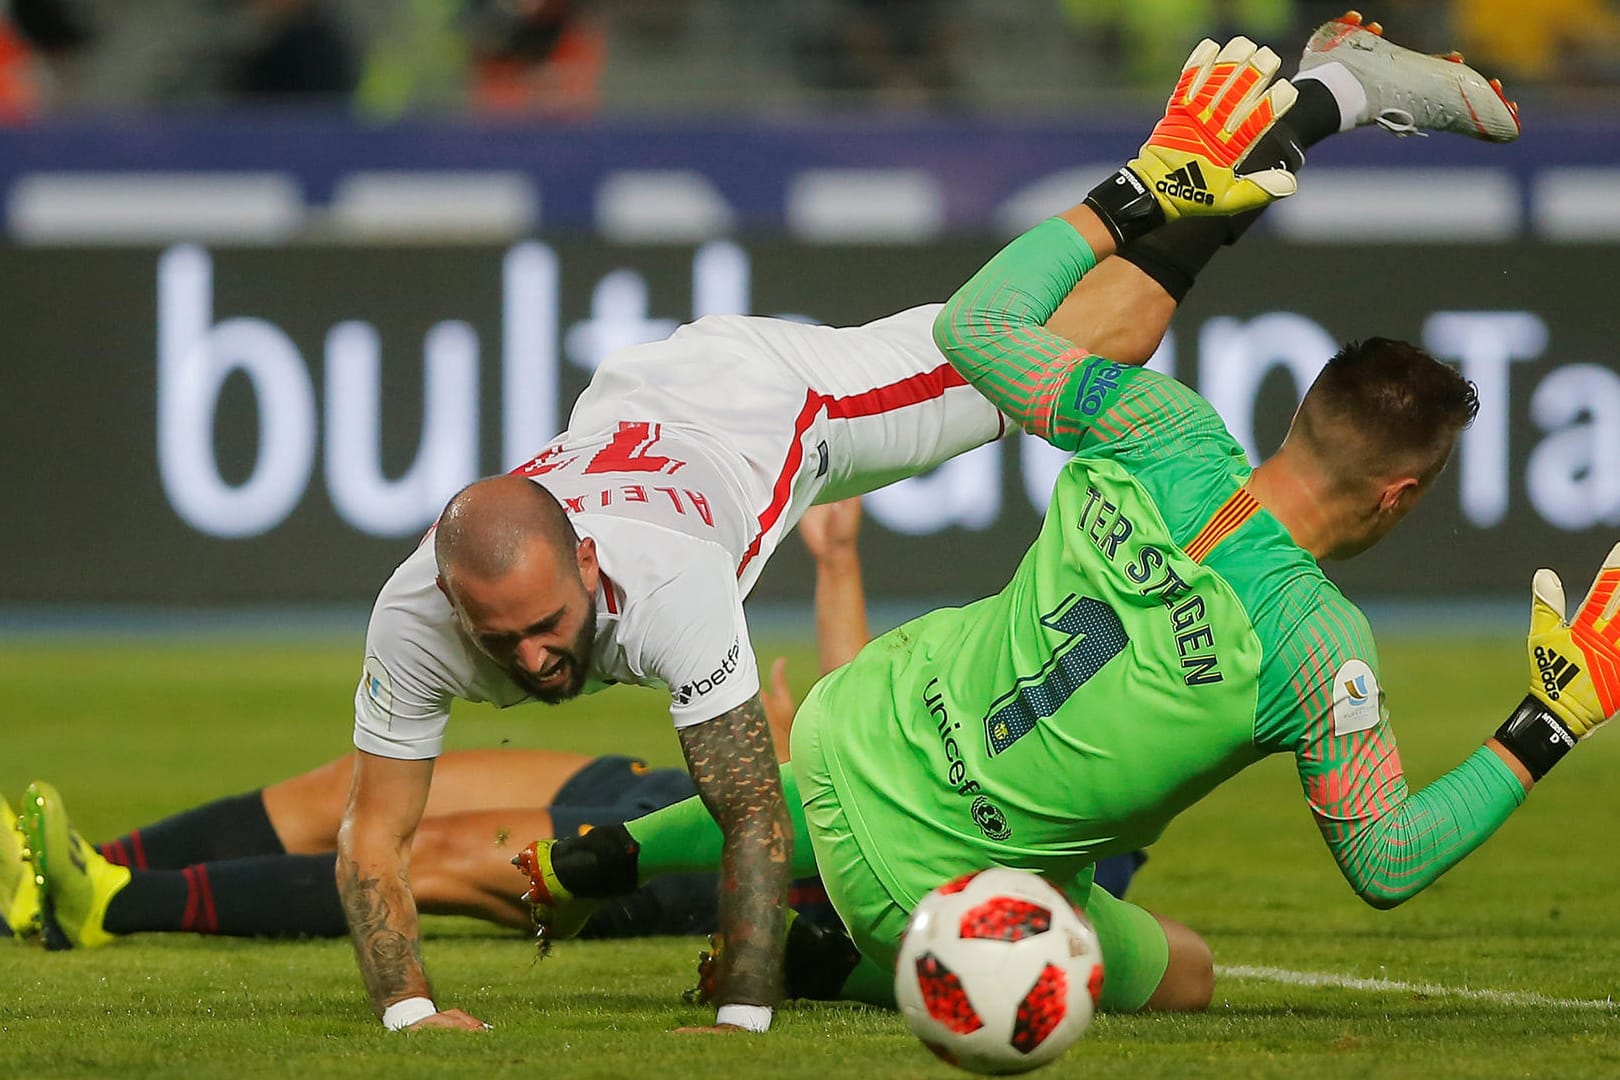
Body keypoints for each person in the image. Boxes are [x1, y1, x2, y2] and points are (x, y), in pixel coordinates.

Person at [23, 12, 1521, 1034]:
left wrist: (738, 1005)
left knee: (1077, 347)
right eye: (520, 635)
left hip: (773, 411)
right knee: (371, 804)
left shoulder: (667, 596)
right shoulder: (440, 605)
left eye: (548, 628)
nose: (537, 654)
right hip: (656, 416)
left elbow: (757, 802)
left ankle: (1326, 100)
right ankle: (82, 880)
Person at [513, 25, 1609, 1024]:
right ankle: (824, 961)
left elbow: (975, 329)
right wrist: (1552, 718)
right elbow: (1388, 861)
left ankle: (620, 851)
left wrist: (1133, 189)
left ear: (1299, 416)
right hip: (933, 894)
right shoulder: (1319, 650)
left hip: (849, 736)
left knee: (885, 777)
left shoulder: (1163, 428)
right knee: (1184, 973)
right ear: (1399, 497)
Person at [3, 496, 1150, 948]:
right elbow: (862, 739)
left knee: (437, 858)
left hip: (697, 867)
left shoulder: (1041, 840)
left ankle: (106, 906)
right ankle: (73, 867)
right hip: (663, 784)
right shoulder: (1034, 726)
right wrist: (841, 559)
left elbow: (858, 830)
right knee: (345, 797)